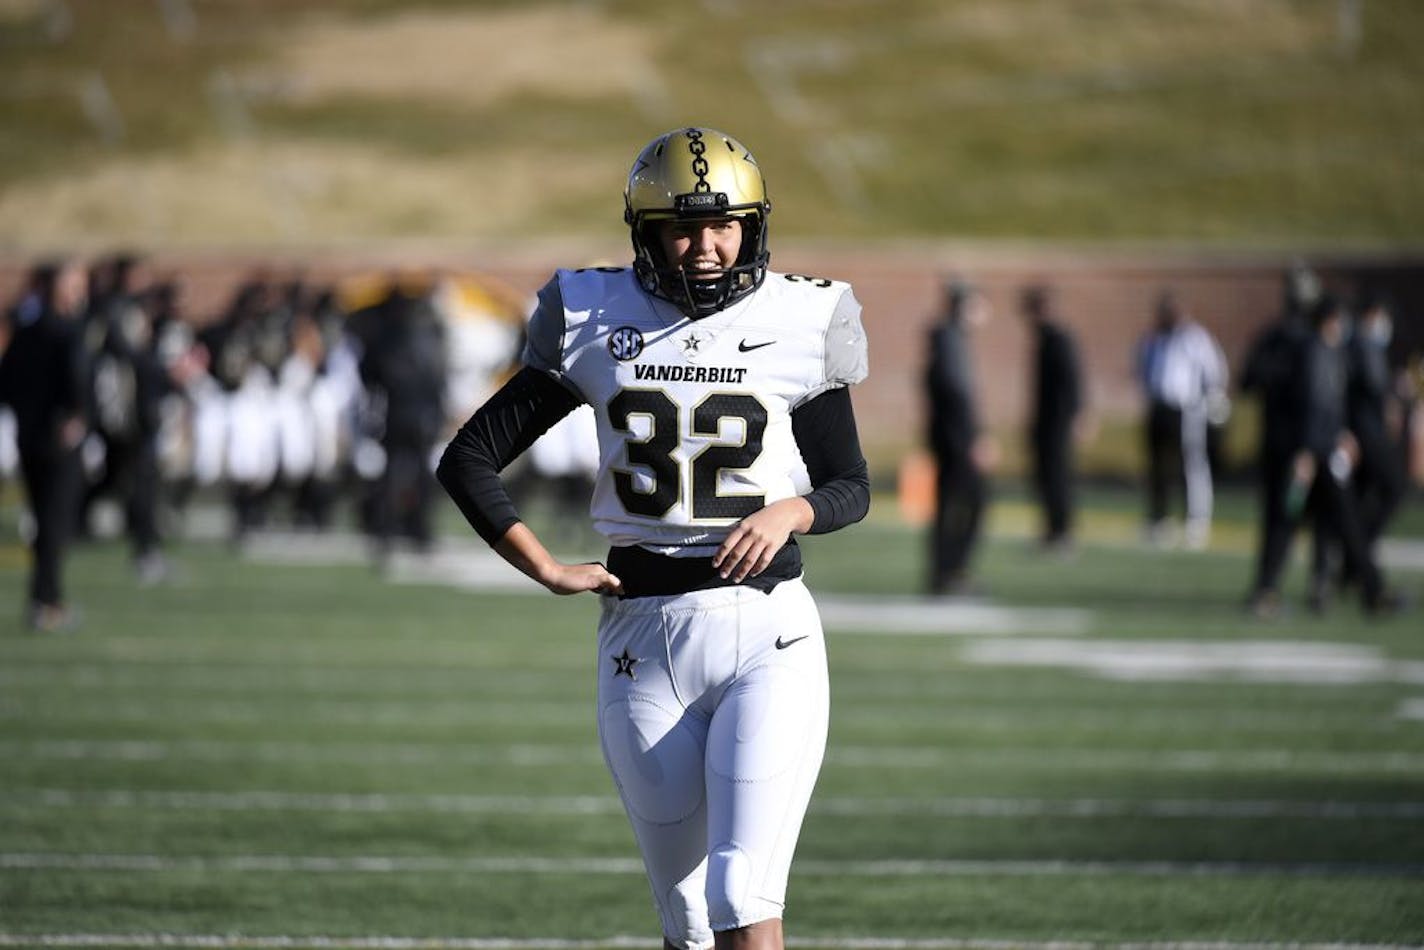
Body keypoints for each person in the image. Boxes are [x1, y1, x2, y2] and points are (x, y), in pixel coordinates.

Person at [438, 127, 870, 950]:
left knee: (743, 890)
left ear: (753, 227)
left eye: (723, 225)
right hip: (640, 632)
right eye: (681, 227)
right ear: (644, 233)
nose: (705, 247)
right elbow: (470, 458)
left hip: (767, 625)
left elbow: (850, 485)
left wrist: (790, 511)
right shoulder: (592, 316)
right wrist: (544, 568)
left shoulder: (801, 317)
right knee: (686, 921)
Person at [1247, 293, 1400, 618]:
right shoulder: (1313, 353)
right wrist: (1306, 451)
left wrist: (1342, 434)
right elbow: (1312, 407)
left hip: (1325, 451)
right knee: (1291, 521)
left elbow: (1331, 405)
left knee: (1337, 523)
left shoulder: (1329, 353)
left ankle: (1366, 589)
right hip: (1314, 455)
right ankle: (1267, 590)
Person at [0, 259, 90, 631]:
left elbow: (5, 382)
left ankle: (45, 598)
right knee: (55, 523)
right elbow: (79, 383)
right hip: (56, 438)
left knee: (44, 521)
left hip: (28, 434)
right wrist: (77, 418)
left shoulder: (27, 328)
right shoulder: (67, 330)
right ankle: (46, 601)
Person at [1240, 264, 1317, 616]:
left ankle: (1273, 585)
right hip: (1299, 446)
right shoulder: (1298, 341)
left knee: (1288, 516)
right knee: (1287, 516)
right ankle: (1271, 587)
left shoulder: (1280, 338)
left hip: (1287, 443)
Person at [1135, 290, 1229, 549]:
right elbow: (1142, 368)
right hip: (1158, 407)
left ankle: (1196, 520)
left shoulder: (1195, 338)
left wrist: (1211, 400)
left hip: (1186, 408)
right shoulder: (1153, 338)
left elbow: (1214, 370)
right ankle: (1159, 519)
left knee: (1191, 463)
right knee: (1157, 465)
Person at [923, 279, 994, 595]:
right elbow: (957, 395)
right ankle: (951, 572)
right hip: (957, 442)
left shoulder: (949, 338)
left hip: (950, 439)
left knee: (952, 506)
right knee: (969, 504)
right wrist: (974, 439)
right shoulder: (950, 339)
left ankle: (946, 573)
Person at [1019, 284, 1082, 552]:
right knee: (1044, 477)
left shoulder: (1060, 338)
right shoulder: (1044, 339)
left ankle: (1062, 532)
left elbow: (1073, 382)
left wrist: (1077, 415)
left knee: (1058, 477)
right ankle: (1050, 530)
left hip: (1059, 421)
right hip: (1044, 421)